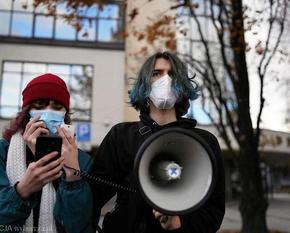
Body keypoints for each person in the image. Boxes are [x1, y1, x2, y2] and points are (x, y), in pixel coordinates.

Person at [90, 51, 225, 233]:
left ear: (182, 86)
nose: (165, 80)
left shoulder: (204, 143)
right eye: (157, 73)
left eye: (172, 74)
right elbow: (93, 196)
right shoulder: (121, 136)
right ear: (144, 85)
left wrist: (181, 224)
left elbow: (214, 210)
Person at [0, 73, 95, 233]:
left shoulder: (81, 160)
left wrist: (72, 178)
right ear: (26, 113)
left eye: (57, 107)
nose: (48, 113)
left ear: (65, 114)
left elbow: (81, 227)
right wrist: (22, 191)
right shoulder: (3, 152)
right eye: (40, 105)